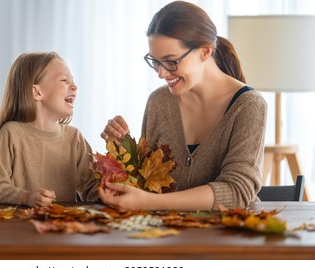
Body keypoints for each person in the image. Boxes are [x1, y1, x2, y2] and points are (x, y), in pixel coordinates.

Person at [99, 1, 267, 212]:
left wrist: (148, 202)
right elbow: (148, 182)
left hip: (229, 238)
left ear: (205, 51)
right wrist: (123, 151)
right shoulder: (158, 102)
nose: (161, 73)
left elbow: (236, 192)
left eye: (171, 61)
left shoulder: (248, 105)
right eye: (155, 62)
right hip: (166, 235)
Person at [0, 52, 99, 207]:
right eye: (64, 80)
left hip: (64, 227)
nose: (74, 86)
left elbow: (91, 188)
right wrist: (26, 197)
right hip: (19, 227)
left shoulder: (74, 137)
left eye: (73, 81)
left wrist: (111, 189)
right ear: (37, 92)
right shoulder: (11, 133)